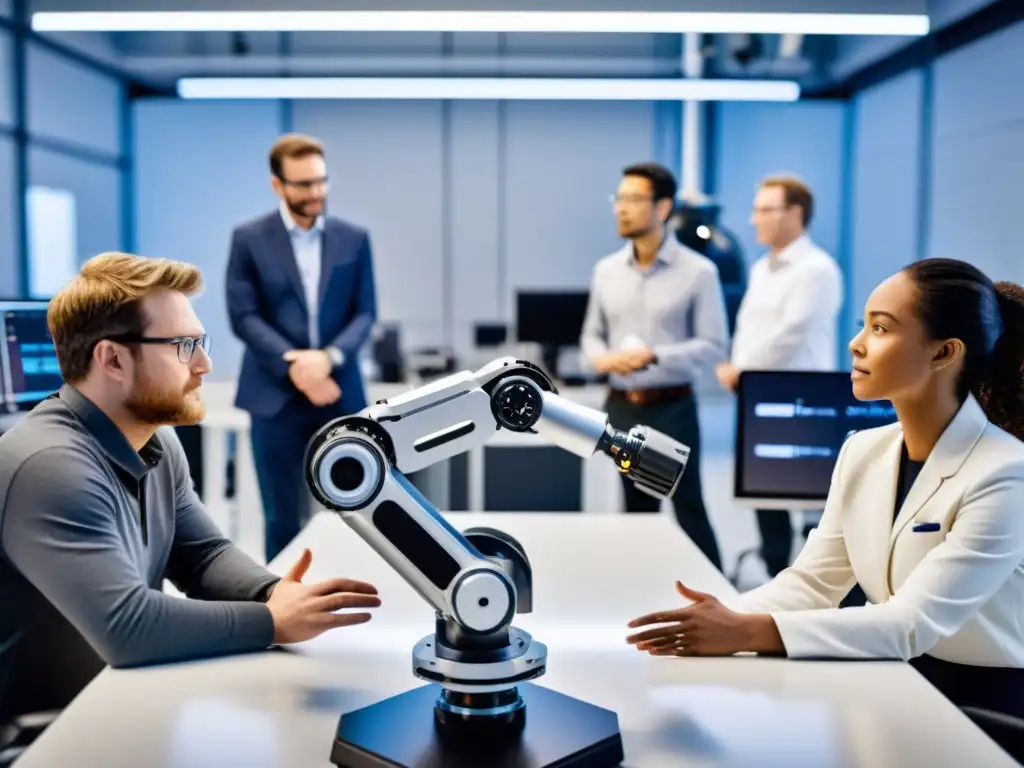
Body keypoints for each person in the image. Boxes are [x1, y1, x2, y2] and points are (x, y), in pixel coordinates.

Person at [627, 258, 1024, 732]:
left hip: (986, 705)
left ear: (943, 354)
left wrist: (745, 631)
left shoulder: (1005, 473)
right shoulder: (863, 450)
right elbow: (814, 582)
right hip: (894, 678)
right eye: (864, 326)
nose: (856, 344)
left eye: (881, 329)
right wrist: (725, 615)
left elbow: (911, 623)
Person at [0, 253, 380, 716]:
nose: (204, 364)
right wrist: (271, 622)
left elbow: (202, 554)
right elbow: (128, 626)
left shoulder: (155, 438)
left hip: (111, 701)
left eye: (201, 343)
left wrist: (271, 592)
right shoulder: (49, 464)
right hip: (41, 730)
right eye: (184, 345)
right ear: (113, 359)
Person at [226, 133, 378, 562]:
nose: (316, 193)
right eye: (304, 184)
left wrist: (326, 360)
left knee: (354, 510)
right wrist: (296, 366)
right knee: (281, 518)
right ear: (277, 184)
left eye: (321, 181)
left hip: (338, 392)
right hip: (273, 396)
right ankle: (284, 610)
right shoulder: (249, 239)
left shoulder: (354, 238)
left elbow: (365, 313)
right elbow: (244, 316)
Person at [581, 162, 729, 569]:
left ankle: (721, 600)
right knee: (635, 511)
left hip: (672, 407)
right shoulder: (606, 271)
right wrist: (602, 359)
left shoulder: (699, 273)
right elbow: (591, 335)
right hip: (622, 406)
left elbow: (714, 344)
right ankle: (638, 594)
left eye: (632, 199)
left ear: (662, 208)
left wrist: (656, 356)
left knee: (688, 507)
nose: (621, 208)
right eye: (619, 199)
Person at [716, 175, 842, 577]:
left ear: (795, 213)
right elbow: (750, 329)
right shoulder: (761, 268)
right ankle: (775, 573)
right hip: (756, 393)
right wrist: (737, 371)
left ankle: (811, 582)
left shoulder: (816, 269)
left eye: (764, 209)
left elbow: (792, 332)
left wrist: (742, 370)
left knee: (804, 493)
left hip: (799, 397)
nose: (754, 219)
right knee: (762, 490)